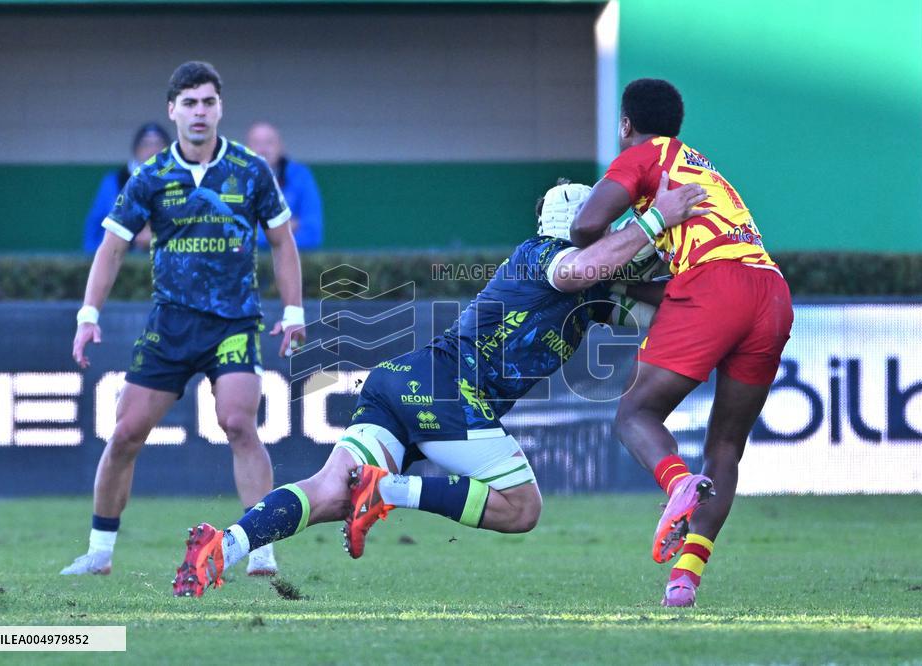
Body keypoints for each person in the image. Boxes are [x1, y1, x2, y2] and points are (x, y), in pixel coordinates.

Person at [170, 175, 708, 597]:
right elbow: (588, 265)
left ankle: (224, 545)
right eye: (599, 222)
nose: (606, 229)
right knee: (522, 509)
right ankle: (385, 490)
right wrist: (658, 216)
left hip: (407, 381)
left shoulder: (591, 286)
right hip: (451, 393)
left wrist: (692, 258)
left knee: (329, 491)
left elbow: (659, 302)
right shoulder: (547, 257)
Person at [62, 61, 307, 578]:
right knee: (126, 434)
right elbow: (111, 248)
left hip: (234, 323)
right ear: (172, 110)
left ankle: (261, 548)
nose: (200, 112)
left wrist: (293, 312)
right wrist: (88, 316)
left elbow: (283, 243)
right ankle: (100, 551)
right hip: (169, 327)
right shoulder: (149, 177)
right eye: (189, 103)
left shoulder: (251, 169)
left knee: (239, 423)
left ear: (221, 108)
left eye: (208, 102)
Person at [570, 78, 794, 607]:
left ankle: (676, 485)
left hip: (716, 289)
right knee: (726, 445)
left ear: (626, 124)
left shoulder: (646, 155)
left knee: (634, 414)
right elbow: (683, 279)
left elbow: (586, 227)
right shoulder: (705, 170)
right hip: (771, 290)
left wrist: (631, 235)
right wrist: (622, 282)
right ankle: (685, 578)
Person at [82, 123, 171, 253]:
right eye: (146, 144)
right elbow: (93, 231)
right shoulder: (115, 181)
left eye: (158, 144)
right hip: (121, 262)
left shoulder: (182, 181)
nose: (153, 150)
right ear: (136, 150)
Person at [245, 121, 324, 250]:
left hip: (294, 263)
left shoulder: (301, 175)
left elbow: (313, 234)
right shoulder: (234, 179)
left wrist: (260, 230)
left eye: (269, 142)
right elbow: (233, 237)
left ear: (281, 147)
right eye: (257, 143)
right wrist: (284, 229)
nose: (263, 149)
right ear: (247, 149)